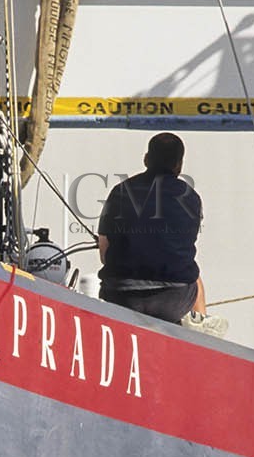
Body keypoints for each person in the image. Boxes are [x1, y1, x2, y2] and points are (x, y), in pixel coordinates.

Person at [96, 132, 227, 337]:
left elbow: (104, 252)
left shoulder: (120, 191)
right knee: (195, 276)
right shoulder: (190, 197)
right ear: (179, 165)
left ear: (146, 159)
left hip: (121, 295)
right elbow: (182, 251)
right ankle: (200, 335)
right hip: (174, 299)